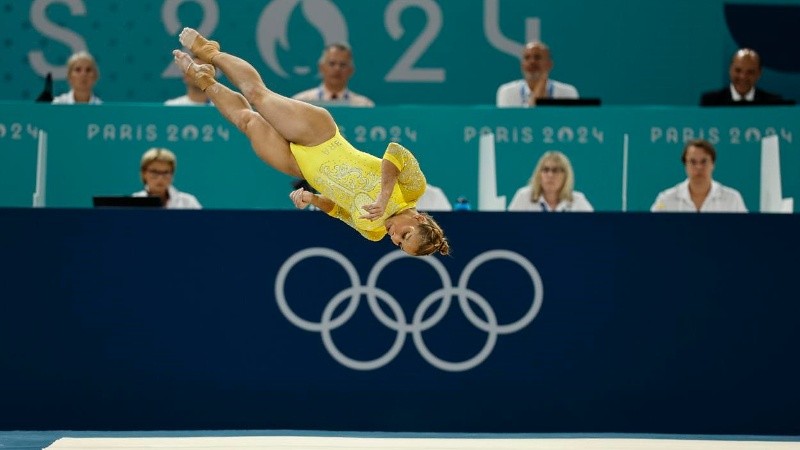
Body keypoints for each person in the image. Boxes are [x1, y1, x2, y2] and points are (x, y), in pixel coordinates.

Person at [172, 28, 448, 256]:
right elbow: (395, 151)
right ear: (419, 218)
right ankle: (211, 52)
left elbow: (339, 210)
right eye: (405, 234)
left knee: (248, 121)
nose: (395, 238)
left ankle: (204, 80)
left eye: (399, 244)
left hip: (301, 168)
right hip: (321, 137)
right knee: (257, 95)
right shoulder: (413, 189)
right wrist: (384, 195)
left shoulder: (374, 232)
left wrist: (312, 198)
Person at [651, 139, 747, 212]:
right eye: (693, 162)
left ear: (713, 164)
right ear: (685, 165)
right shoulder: (666, 199)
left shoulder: (733, 199)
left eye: (704, 161)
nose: (699, 167)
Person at [496, 41, 578, 108]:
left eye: (537, 57)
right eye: (527, 58)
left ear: (549, 64)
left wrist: (542, 81)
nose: (532, 62)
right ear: (521, 65)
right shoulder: (507, 92)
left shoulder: (568, 92)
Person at [292, 43, 374, 107]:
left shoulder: (364, 105)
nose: (337, 69)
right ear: (321, 67)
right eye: (332, 63)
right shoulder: (301, 102)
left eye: (343, 64)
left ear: (351, 71)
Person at [700, 48, 791, 106]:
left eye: (750, 72)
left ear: (759, 74)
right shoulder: (711, 102)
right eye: (738, 70)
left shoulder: (773, 103)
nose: (743, 77)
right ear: (730, 70)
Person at [507, 151, 593, 212]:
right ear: (539, 174)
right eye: (545, 170)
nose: (550, 175)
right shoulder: (524, 196)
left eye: (555, 170)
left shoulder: (577, 200)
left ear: (566, 176)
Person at [132, 147, 202, 209]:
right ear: (143, 173)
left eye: (166, 173)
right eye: (154, 172)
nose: (160, 178)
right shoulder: (133, 203)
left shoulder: (188, 203)